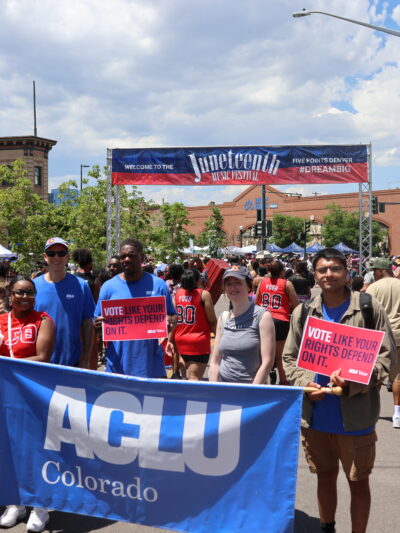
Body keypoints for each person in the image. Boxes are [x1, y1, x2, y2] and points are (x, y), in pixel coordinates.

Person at [283, 248, 395, 533]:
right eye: (322, 270)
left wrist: (352, 385)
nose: (329, 274)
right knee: (324, 477)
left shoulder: (369, 307)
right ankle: (327, 528)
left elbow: (385, 358)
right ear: (315, 276)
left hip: (355, 418)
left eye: (334, 269)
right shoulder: (304, 311)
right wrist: (305, 383)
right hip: (316, 416)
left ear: (347, 272)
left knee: (358, 483)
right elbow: (289, 358)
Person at [0, 276, 55, 532]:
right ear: (10, 294)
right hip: (5, 393)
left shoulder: (43, 320)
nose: (25, 297)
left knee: (35, 448)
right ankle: (16, 503)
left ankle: (40, 506)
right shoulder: (1, 321)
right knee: (9, 450)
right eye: (20, 292)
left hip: (33, 393)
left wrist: (8, 365)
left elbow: (43, 357)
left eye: (30, 293)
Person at [94, 238, 176, 377]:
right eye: (122, 256)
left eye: (131, 255)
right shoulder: (108, 287)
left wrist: (171, 321)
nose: (126, 259)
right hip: (117, 367)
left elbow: (173, 316)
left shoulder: (158, 285)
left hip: (151, 367)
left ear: (141, 257)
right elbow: (95, 323)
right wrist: (97, 326)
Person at [33, 237, 95, 368]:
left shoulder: (81, 286)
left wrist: (86, 358)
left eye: (61, 253)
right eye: (51, 253)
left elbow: (88, 324)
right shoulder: (33, 287)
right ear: (45, 257)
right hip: (39, 364)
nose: (56, 257)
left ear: (67, 257)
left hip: (72, 363)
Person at [209, 265, 275, 384]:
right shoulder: (224, 318)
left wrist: (250, 392)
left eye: (238, 282)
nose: (233, 287)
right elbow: (214, 362)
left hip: (251, 392)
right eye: (228, 284)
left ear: (249, 286)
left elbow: (267, 363)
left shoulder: (263, 316)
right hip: (224, 391)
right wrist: (214, 390)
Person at [366, 257, 400, 428]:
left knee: (377, 374)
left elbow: (367, 312)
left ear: (380, 270)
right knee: (398, 377)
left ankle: (372, 410)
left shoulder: (373, 288)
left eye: (374, 271)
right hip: (399, 334)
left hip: (380, 336)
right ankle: (397, 414)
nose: (373, 273)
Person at [168, 268, 217, 380]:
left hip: (180, 341)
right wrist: (220, 339)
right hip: (198, 342)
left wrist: (170, 340)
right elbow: (212, 321)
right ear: (198, 280)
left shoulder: (178, 295)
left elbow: (173, 321)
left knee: (185, 379)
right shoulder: (204, 294)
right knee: (194, 380)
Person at [255, 260, 299, 384]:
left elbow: (256, 301)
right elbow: (296, 305)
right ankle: (283, 382)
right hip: (281, 321)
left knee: (263, 355)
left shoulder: (262, 282)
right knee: (280, 356)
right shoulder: (286, 284)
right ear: (281, 272)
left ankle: (262, 381)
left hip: (264, 319)